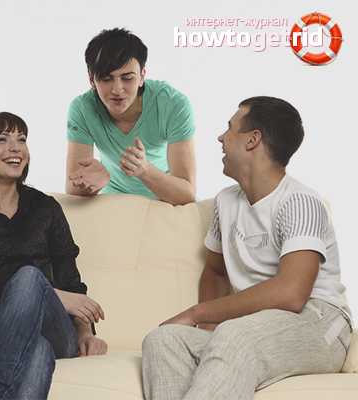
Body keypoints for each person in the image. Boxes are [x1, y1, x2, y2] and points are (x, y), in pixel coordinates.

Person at [141, 96, 353, 400]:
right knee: (163, 340)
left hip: (319, 323)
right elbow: (215, 271)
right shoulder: (226, 202)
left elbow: (292, 293)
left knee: (234, 334)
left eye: (229, 128)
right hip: (252, 327)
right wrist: (207, 328)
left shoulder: (300, 202)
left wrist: (197, 313)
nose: (220, 138)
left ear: (252, 140)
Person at [0, 112, 108, 400]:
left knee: (30, 277)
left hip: (55, 327)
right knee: (37, 348)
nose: (16, 148)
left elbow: (70, 278)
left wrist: (85, 332)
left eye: (21, 140)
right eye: (2, 139)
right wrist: (56, 294)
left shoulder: (46, 208)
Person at [66, 28, 196, 204]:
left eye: (127, 78)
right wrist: (95, 183)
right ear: (92, 80)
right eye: (106, 79)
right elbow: (72, 190)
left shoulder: (173, 104)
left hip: (163, 199)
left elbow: (187, 194)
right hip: (112, 200)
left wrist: (145, 170)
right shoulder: (82, 108)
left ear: (142, 76)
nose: (117, 89)